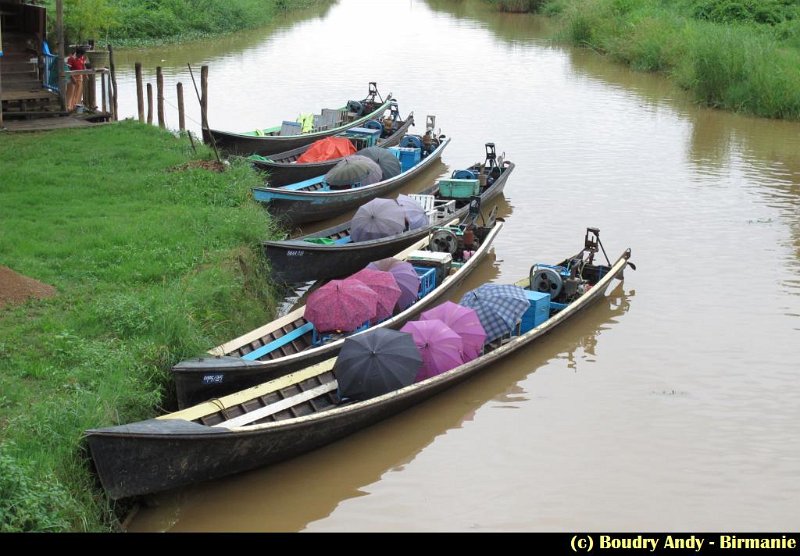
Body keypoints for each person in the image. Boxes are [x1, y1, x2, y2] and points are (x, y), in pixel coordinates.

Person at [65, 47, 89, 111]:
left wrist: (85, 74)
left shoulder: (82, 58)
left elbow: (83, 66)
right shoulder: (71, 59)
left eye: (82, 55)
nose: (81, 56)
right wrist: (72, 78)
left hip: (79, 76)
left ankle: (75, 106)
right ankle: (68, 107)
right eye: (80, 55)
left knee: (78, 92)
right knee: (70, 92)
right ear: (77, 53)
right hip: (72, 77)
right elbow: (68, 69)